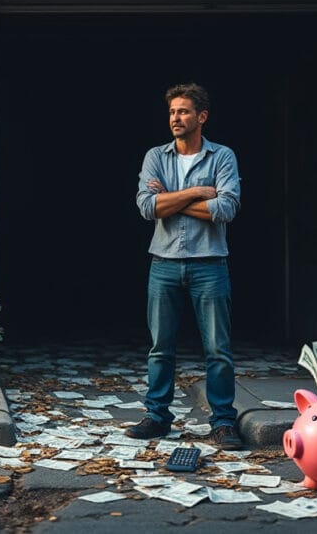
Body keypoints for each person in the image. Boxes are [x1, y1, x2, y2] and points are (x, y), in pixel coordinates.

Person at [130, 83, 243, 450]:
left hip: (210, 264)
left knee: (218, 350)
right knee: (160, 348)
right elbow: (147, 208)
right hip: (163, 263)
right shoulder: (155, 156)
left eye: (183, 112)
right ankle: (157, 416)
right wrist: (196, 193)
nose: (175, 118)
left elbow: (225, 210)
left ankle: (224, 422)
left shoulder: (222, 156)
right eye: (171, 112)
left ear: (201, 117)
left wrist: (169, 198)